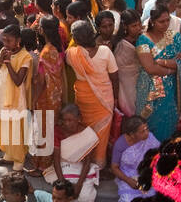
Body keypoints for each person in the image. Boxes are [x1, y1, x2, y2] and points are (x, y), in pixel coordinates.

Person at [65, 20, 119, 166]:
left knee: (84, 130)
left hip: (83, 98)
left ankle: (83, 162)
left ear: (75, 39)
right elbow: (114, 77)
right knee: (101, 133)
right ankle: (98, 165)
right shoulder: (105, 51)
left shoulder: (71, 54)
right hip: (104, 99)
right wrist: (115, 97)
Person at [136, 0, 181, 141]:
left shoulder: (174, 36)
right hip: (150, 90)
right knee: (149, 123)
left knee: (168, 121)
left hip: (171, 89)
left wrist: (164, 63)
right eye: (161, 22)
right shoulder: (142, 40)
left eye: (168, 20)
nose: (166, 24)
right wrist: (171, 69)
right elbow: (149, 68)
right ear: (152, 22)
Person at [47, 104, 101, 202]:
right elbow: (56, 160)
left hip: (80, 166)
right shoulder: (57, 131)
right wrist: (63, 184)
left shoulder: (86, 134)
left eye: (70, 120)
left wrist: (79, 185)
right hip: (63, 165)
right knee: (63, 195)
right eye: (65, 120)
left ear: (78, 119)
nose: (67, 124)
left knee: (85, 196)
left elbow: (87, 162)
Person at [0, 23, 32, 167]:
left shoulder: (25, 56)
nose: (6, 44)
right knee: (3, 130)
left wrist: (8, 63)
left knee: (15, 131)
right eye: (4, 40)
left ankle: (18, 161)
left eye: (9, 41)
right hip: (1, 96)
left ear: (18, 40)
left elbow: (18, 81)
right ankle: (8, 155)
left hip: (15, 100)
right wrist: (0, 60)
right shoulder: (3, 51)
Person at [30, 15, 67, 173]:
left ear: (42, 29)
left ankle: (41, 166)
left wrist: (33, 100)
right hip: (57, 95)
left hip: (45, 97)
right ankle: (48, 163)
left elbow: (41, 81)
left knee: (42, 132)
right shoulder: (58, 48)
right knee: (50, 130)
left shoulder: (45, 52)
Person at [111, 115, 160, 202]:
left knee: (154, 198)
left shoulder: (150, 137)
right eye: (142, 131)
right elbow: (114, 167)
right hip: (127, 175)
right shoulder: (120, 144)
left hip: (146, 172)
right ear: (132, 134)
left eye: (147, 129)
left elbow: (159, 154)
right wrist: (128, 180)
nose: (147, 132)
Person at [114, 11, 143, 115]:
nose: (138, 28)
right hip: (127, 82)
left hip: (141, 80)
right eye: (134, 26)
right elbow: (122, 69)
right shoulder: (122, 45)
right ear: (125, 26)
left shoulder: (142, 38)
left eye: (139, 24)